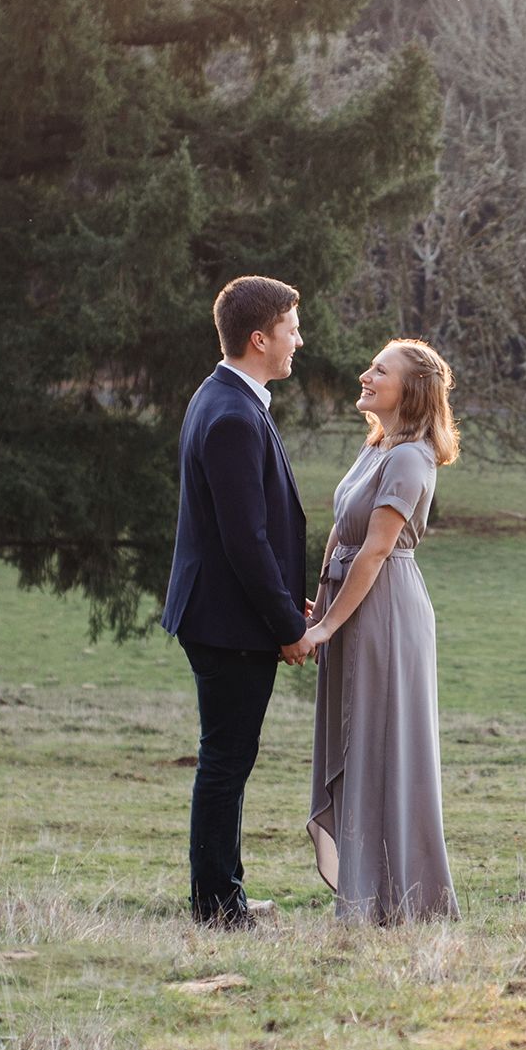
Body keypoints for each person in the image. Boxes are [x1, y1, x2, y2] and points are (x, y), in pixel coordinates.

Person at [159, 275, 313, 928]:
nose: (299, 340)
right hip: (229, 624)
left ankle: (224, 893)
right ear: (260, 338)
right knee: (225, 761)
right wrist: (287, 624)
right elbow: (244, 541)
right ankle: (218, 906)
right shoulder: (229, 414)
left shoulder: (229, 398)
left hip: (226, 616)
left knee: (229, 758)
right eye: (291, 329)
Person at [296, 337, 460, 924]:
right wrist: (319, 610)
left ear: (409, 390)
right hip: (349, 607)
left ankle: (402, 899)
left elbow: (374, 551)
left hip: (385, 612)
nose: (364, 375)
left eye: (379, 371)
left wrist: (324, 629)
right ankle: (363, 895)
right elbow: (341, 533)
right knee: (354, 740)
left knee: (382, 745)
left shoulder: (411, 458)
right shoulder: (375, 446)